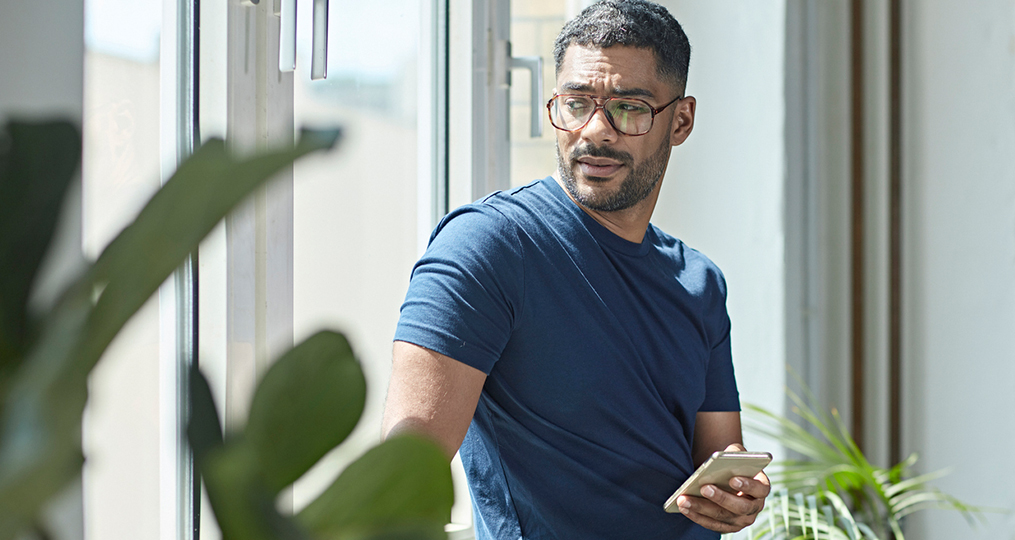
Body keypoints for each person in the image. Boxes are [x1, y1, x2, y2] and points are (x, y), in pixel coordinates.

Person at [382, 1, 770, 538]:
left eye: (629, 108)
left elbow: (719, 451)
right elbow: (402, 472)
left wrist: (736, 496)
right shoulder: (488, 245)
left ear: (680, 121)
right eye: (576, 103)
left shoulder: (700, 282)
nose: (596, 132)